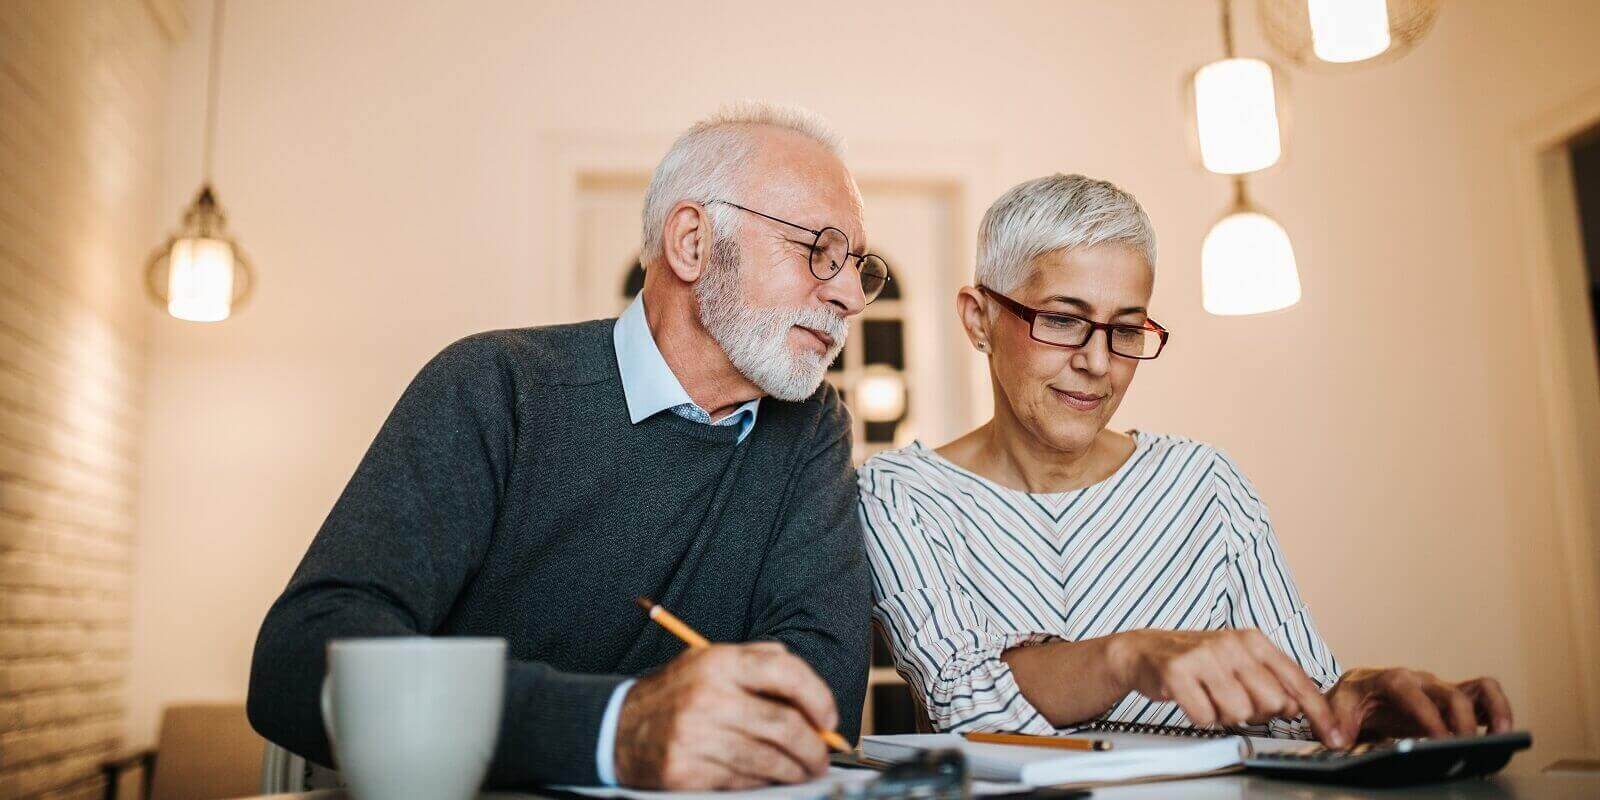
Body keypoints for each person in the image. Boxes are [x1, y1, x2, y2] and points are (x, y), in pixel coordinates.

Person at [248, 102, 890, 790]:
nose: (851, 295)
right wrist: (615, 728)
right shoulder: (497, 387)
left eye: (857, 265)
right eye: (819, 250)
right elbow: (300, 661)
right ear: (693, 244)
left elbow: (815, 703)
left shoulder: (811, 427)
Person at [859, 174, 1514, 747]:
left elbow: (1295, 710)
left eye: (1125, 329)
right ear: (978, 320)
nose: (1096, 361)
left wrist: (1360, 702)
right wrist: (1128, 656)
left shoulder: (1206, 484)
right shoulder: (898, 494)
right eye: (1062, 319)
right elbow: (969, 708)